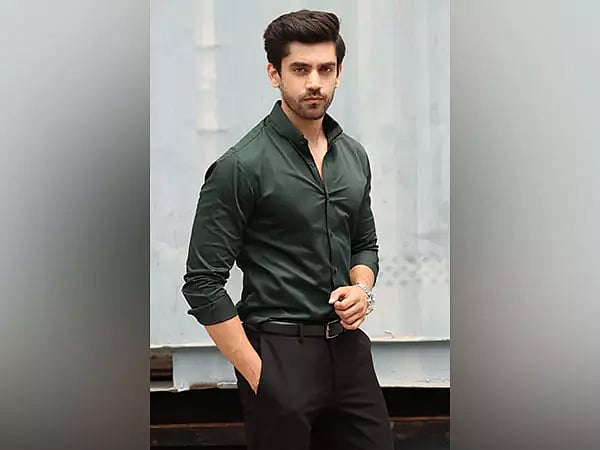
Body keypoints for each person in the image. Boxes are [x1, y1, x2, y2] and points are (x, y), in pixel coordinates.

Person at [182, 9, 393, 450]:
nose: (314, 82)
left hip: (349, 354)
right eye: (300, 69)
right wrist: (261, 376)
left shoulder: (353, 156)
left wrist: (362, 290)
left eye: (325, 69)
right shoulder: (240, 166)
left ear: (339, 74)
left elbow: (364, 243)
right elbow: (203, 284)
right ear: (274, 74)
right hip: (279, 354)